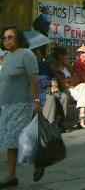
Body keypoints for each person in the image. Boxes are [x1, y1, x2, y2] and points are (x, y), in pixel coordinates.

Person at [0, 25, 45, 187]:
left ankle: (38, 161)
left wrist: (37, 101)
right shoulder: (6, 57)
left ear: (18, 38)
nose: (6, 40)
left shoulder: (26, 54)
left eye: (10, 37)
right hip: (6, 106)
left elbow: (34, 80)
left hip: (21, 104)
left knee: (16, 139)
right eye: (4, 37)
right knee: (10, 141)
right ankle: (12, 176)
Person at [44, 46, 85, 129]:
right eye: (65, 55)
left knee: (84, 86)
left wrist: (70, 80)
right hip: (66, 90)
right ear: (60, 57)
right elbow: (63, 84)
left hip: (74, 88)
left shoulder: (68, 67)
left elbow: (78, 79)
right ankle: (82, 119)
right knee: (83, 92)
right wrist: (70, 80)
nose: (67, 57)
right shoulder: (54, 69)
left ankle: (82, 113)